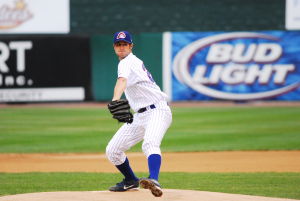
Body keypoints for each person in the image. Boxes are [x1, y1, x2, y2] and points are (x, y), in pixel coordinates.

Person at [105, 31, 172, 197]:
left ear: (131, 46)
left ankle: (154, 179)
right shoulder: (129, 62)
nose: (121, 47)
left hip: (158, 110)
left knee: (149, 144)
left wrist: (115, 99)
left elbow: (122, 81)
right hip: (140, 115)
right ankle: (130, 180)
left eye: (124, 44)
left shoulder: (127, 62)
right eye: (118, 44)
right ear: (114, 47)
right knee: (113, 150)